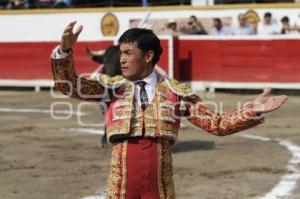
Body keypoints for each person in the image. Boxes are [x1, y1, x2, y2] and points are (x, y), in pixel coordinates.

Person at [51, 21, 287, 198]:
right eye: (120, 54)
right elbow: (69, 85)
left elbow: (217, 124)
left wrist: (252, 110)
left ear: (148, 56)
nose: (121, 60)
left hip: (159, 185)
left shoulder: (176, 92)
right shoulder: (111, 88)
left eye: (127, 53)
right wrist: (64, 53)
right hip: (121, 182)